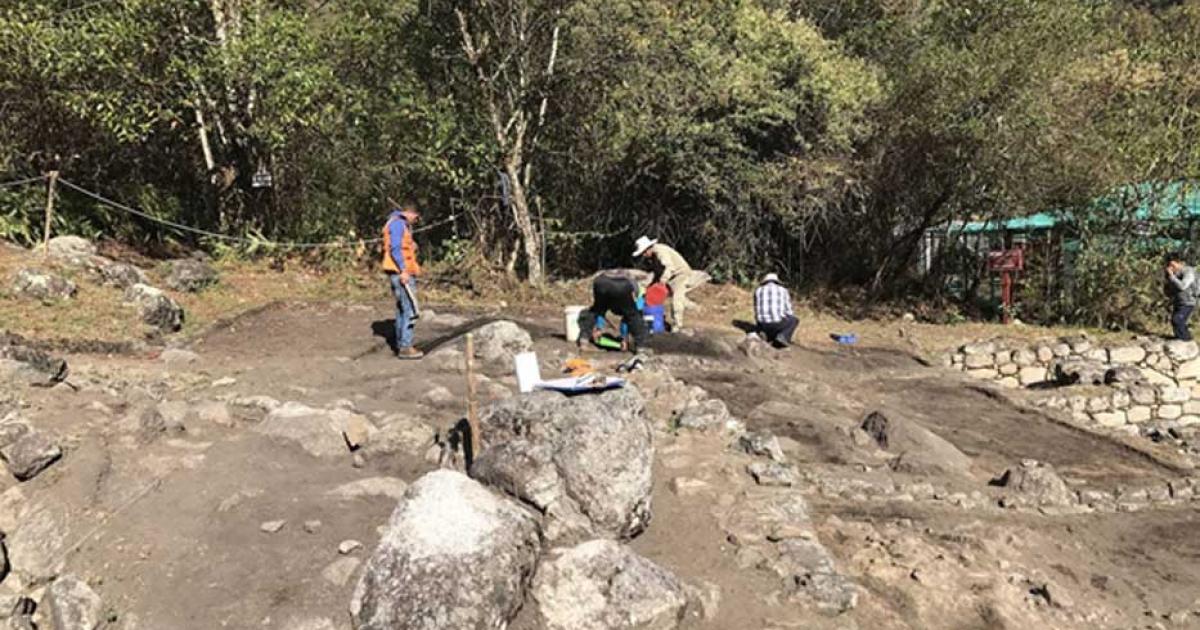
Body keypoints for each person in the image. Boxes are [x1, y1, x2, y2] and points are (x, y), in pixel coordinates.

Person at [633, 236, 705, 331]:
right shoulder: (653, 257)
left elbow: (669, 267)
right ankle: (696, 308)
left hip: (681, 274)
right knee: (679, 297)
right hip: (672, 277)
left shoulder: (660, 251)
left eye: (643, 253)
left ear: (647, 250)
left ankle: (677, 326)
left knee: (676, 299)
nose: (643, 256)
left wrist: (663, 280)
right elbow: (657, 273)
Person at [382, 203, 423, 358]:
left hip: (398, 272)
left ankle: (401, 343)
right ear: (411, 213)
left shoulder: (395, 223)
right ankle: (405, 346)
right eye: (416, 218)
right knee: (410, 309)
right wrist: (404, 270)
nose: (415, 221)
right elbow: (396, 248)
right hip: (401, 273)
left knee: (402, 309)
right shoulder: (399, 224)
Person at [578, 269, 648, 353]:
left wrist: (599, 327)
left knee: (596, 310)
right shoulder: (637, 290)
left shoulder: (610, 275)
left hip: (601, 282)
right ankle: (641, 348)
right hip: (621, 286)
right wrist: (624, 338)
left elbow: (601, 311)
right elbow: (628, 318)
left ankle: (584, 340)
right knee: (633, 315)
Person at [754, 273, 799, 348]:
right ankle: (783, 337)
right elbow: (789, 311)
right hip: (777, 323)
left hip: (762, 324)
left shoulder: (758, 291)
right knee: (794, 320)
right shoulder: (783, 290)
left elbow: (756, 310)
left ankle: (767, 334)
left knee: (771, 324)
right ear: (776, 281)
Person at [1165, 252, 1196, 341]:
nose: (1171, 267)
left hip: (1188, 302)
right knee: (1175, 322)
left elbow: (1183, 286)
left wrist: (1172, 276)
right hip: (1177, 301)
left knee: (1177, 320)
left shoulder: (1188, 272)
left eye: (1173, 265)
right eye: (1169, 265)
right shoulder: (1173, 273)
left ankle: (1187, 340)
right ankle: (1179, 339)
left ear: (1179, 262)